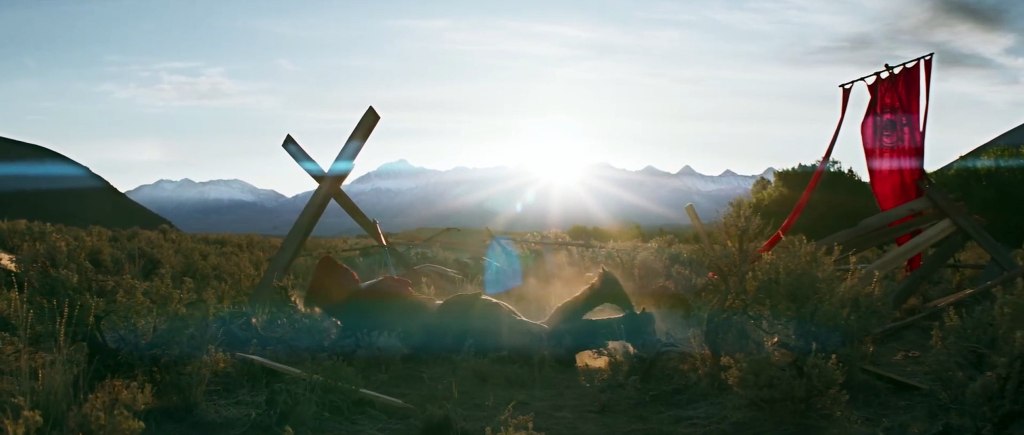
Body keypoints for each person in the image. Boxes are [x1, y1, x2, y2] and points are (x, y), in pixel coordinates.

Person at [305, 256, 656, 359]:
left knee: (547, 343)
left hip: (470, 323)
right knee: (545, 333)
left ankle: (632, 327)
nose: (327, 313)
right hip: (468, 321)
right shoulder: (358, 313)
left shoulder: (361, 304)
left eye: (325, 306)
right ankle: (599, 290)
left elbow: (400, 289)